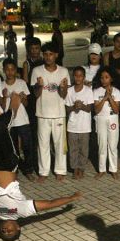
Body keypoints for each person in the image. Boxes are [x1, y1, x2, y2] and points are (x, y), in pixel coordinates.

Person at [0, 95, 81, 241]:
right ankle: (13, 109)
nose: (6, 231)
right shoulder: (20, 211)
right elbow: (49, 204)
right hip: (6, 164)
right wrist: (71, 198)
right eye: (10, 232)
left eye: (3, 233)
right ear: (18, 227)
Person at [30, 42, 70, 181]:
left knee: (59, 144)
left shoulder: (63, 71)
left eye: (51, 54)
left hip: (59, 113)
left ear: (56, 55)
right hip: (42, 113)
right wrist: (39, 86)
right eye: (45, 54)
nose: (48, 57)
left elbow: (64, 95)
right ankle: (43, 172)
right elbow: (35, 95)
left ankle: (60, 170)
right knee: (43, 144)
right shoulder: (37, 71)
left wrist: (63, 88)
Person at [1, 58, 35, 178]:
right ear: (4, 70)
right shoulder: (1, 85)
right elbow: (2, 106)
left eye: (12, 69)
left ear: (15, 70)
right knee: (13, 148)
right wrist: (4, 97)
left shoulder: (21, 83)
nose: (10, 72)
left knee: (27, 145)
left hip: (22, 120)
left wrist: (23, 98)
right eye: (7, 70)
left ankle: (29, 170)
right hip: (10, 121)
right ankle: (14, 170)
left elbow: (26, 104)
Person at [65, 67, 94, 179]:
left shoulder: (88, 90)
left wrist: (81, 106)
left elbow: (89, 108)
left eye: (80, 76)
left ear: (84, 77)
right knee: (73, 148)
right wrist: (74, 107)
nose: (78, 78)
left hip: (84, 126)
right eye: (76, 76)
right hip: (72, 125)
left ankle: (81, 168)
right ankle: (75, 168)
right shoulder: (70, 91)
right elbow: (67, 109)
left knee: (83, 148)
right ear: (73, 77)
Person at [93, 66, 120, 179]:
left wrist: (110, 97)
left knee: (113, 145)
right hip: (100, 119)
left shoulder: (117, 92)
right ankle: (102, 169)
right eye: (102, 77)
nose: (103, 80)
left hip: (112, 119)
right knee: (102, 144)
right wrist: (104, 98)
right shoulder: (96, 91)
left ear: (111, 79)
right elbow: (96, 109)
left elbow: (116, 110)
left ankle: (113, 169)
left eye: (106, 77)